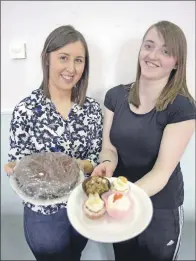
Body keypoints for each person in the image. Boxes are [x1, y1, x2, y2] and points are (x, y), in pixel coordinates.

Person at [91, 20, 196, 261]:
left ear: (177, 62)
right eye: (148, 46)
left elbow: (161, 174)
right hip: (120, 202)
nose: (153, 55)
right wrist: (107, 163)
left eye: (165, 50)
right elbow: (109, 148)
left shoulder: (182, 107)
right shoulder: (115, 96)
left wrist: (120, 195)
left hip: (160, 208)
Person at [4, 25, 103, 261]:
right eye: (63, 58)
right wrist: (15, 169)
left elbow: (95, 161)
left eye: (78, 60)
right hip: (43, 216)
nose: (71, 68)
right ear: (46, 59)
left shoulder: (91, 110)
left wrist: (79, 165)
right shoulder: (26, 110)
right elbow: (16, 166)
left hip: (81, 207)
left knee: (74, 255)